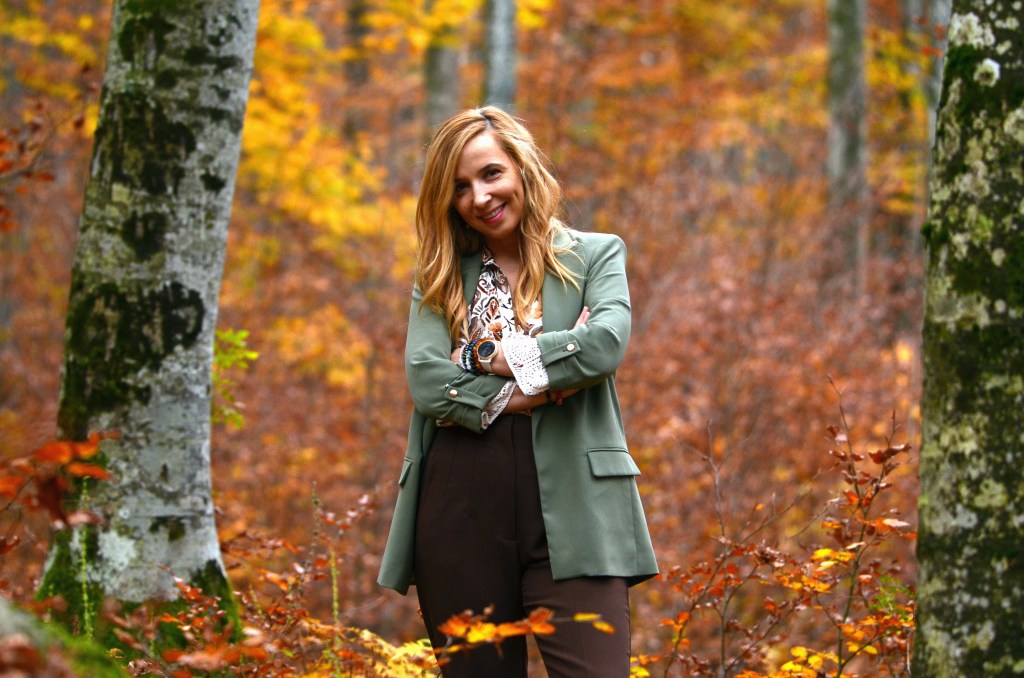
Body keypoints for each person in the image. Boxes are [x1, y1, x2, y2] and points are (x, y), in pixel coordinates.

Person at [378, 106, 658, 677]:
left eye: (490, 174)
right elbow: (427, 383)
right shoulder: (440, 275)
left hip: (579, 504)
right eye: (459, 188)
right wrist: (538, 383)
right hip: (458, 505)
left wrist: (485, 355)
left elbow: (604, 345)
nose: (479, 197)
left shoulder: (595, 254)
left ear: (522, 168)